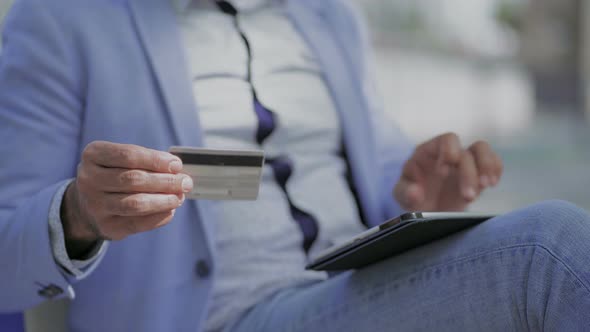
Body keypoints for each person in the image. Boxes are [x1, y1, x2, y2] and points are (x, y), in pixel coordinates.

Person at [0, 0, 589, 331]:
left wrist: (420, 192)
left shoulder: (328, 17)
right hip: (219, 317)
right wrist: (78, 214)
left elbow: (386, 178)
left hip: (361, 287)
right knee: (548, 251)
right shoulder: (62, 19)